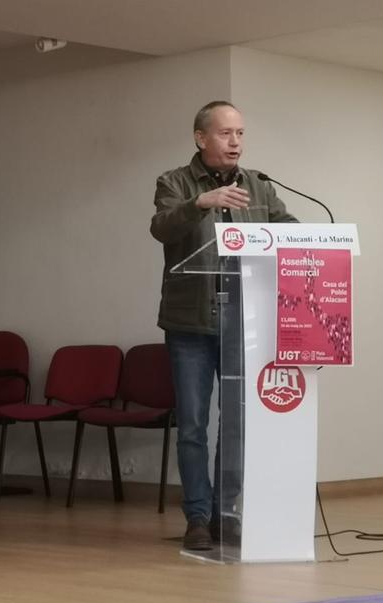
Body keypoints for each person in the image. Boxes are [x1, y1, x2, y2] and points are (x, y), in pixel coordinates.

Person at [149, 101, 297, 551]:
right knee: (193, 425)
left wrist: (301, 237)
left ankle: (226, 515)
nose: (235, 142)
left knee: (236, 425)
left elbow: (288, 229)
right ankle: (197, 516)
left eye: (240, 134)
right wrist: (200, 203)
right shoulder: (174, 182)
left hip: (244, 325)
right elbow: (162, 228)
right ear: (200, 137)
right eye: (225, 133)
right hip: (190, 323)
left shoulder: (259, 185)